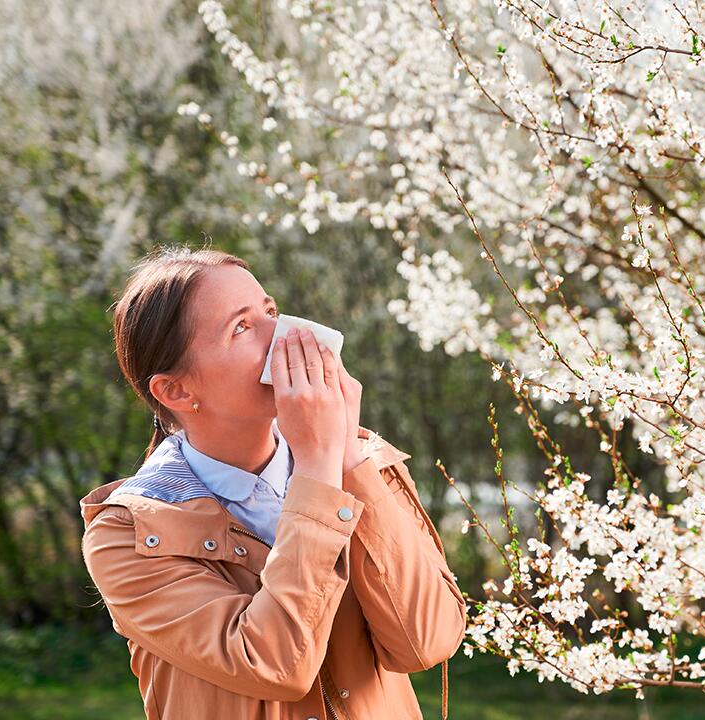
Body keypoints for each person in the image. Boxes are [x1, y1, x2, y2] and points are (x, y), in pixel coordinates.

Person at [79, 245, 466, 719]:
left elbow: (427, 641)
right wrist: (320, 469)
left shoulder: (365, 464)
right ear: (177, 390)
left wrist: (344, 458)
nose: (287, 335)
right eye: (242, 326)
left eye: (271, 311)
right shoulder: (127, 536)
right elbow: (276, 665)